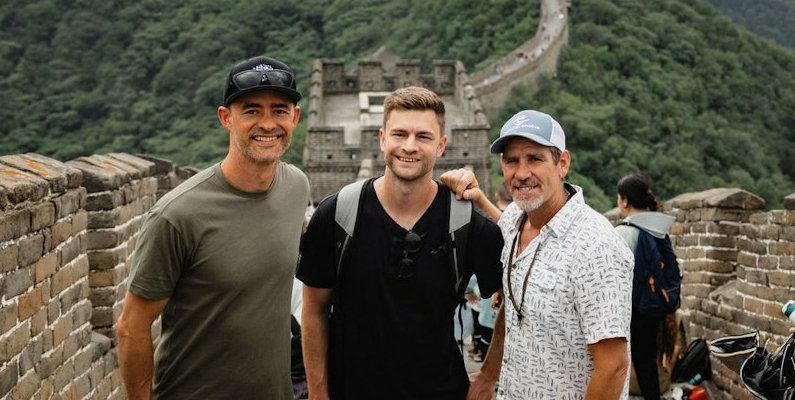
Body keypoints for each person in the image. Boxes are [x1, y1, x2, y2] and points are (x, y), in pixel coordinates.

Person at [116, 55, 310, 400]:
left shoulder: (296, 187)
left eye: (279, 110)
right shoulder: (177, 215)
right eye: (251, 111)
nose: (267, 123)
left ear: (294, 117)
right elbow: (132, 327)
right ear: (226, 118)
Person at [297, 86, 504, 400]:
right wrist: (318, 393)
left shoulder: (467, 225)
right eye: (399, 134)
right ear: (382, 139)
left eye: (423, 136)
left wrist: (489, 376)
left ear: (442, 145)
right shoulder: (336, 216)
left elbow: (517, 297)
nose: (409, 146)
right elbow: (314, 310)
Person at [441, 109, 635, 400]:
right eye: (511, 161)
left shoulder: (596, 247)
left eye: (534, 159)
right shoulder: (515, 221)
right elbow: (514, 310)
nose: (521, 173)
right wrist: (488, 376)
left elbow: (614, 367)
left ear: (562, 163)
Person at [615, 172, 676, 400]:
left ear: (625, 200)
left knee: (617, 361)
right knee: (647, 362)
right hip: (652, 305)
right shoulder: (659, 229)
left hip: (629, 308)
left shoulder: (623, 232)